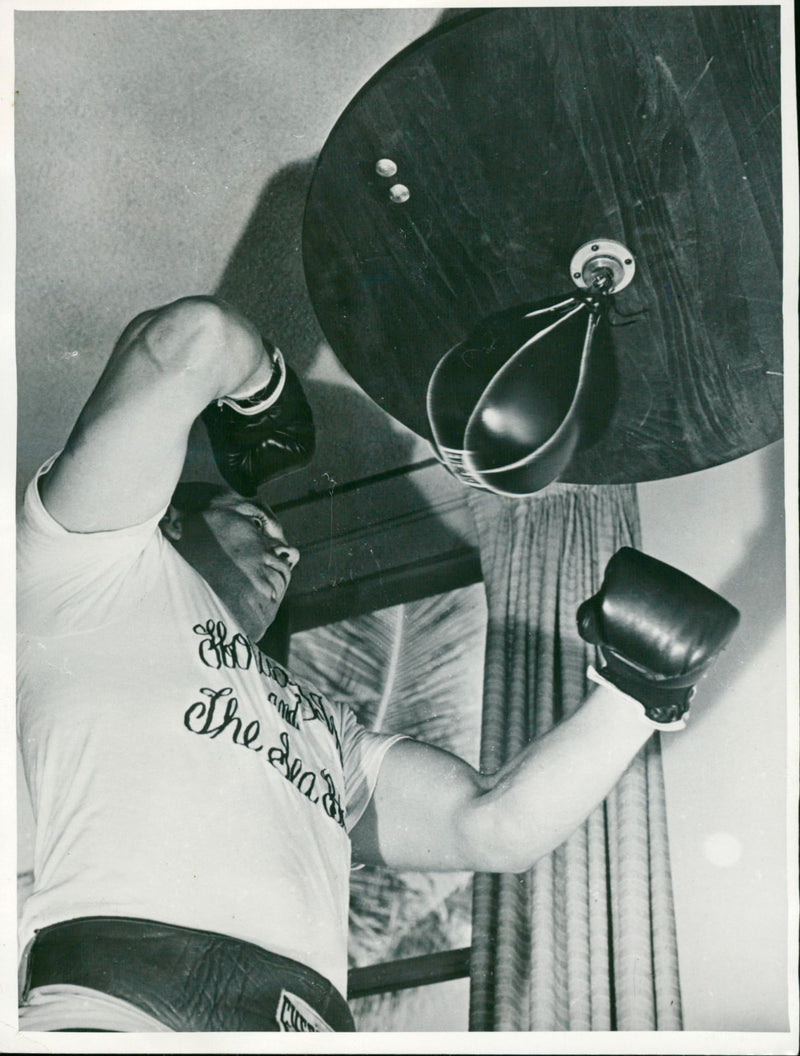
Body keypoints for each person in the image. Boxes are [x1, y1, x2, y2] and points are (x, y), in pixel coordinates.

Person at [16, 296, 739, 1033]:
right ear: (172, 518)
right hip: (122, 1004)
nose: (291, 552)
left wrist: (635, 695)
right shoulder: (91, 572)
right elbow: (189, 340)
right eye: (259, 520)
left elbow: (494, 830)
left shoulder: (325, 730)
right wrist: (261, 394)